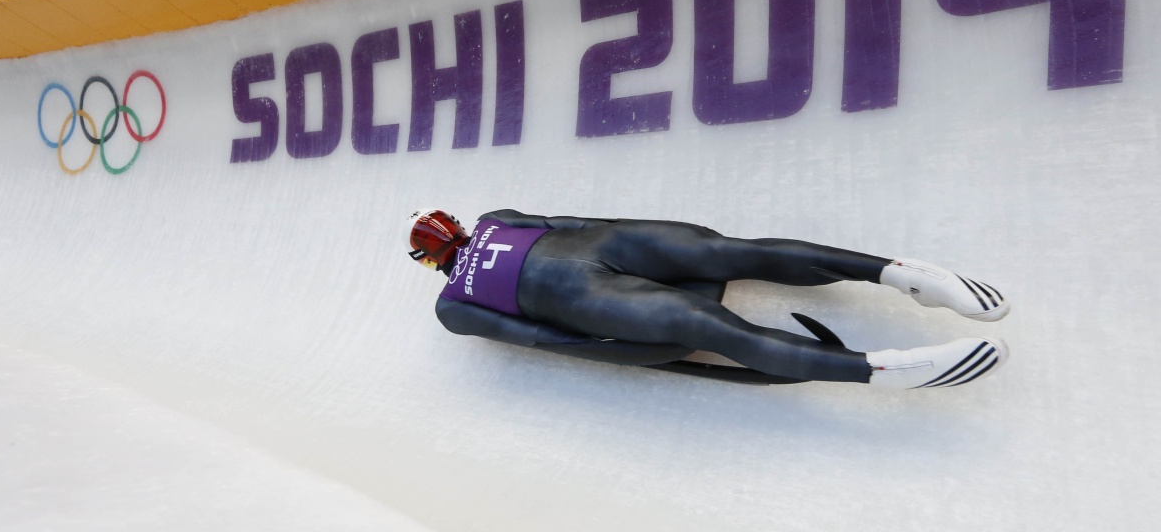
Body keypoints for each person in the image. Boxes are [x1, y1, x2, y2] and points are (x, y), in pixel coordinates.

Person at [407, 209, 1010, 389]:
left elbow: (544, 339)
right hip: (618, 246)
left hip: (594, 293)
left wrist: (631, 355)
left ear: (431, 260)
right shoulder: (494, 220)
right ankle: (895, 272)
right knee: (729, 256)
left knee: (716, 323)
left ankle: (875, 369)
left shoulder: (452, 307)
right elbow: (578, 220)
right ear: (454, 225)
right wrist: (676, 233)